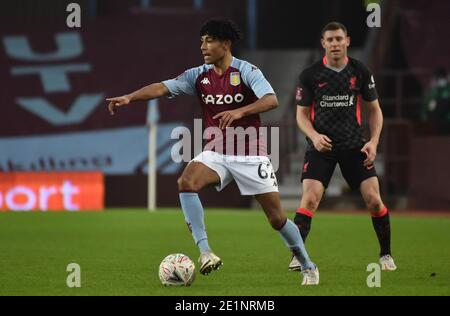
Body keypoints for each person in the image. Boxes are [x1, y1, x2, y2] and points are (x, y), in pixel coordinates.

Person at [106, 18, 319, 285]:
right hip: (216, 151)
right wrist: (129, 97)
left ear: (226, 44)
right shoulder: (198, 75)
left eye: (209, 40)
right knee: (186, 181)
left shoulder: (246, 71)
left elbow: (271, 99)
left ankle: (307, 264)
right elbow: (163, 86)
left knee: (276, 218)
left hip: (250, 153)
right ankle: (205, 252)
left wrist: (241, 110)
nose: (203, 46)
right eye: (201, 41)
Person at [288, 22, 397, 272]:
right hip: (321, 147)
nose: (335, 43)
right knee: (311, 198)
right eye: (330, 40)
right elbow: (301, 116)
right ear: (323, 43)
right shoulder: (310, 75)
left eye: (339, 39)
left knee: (374, 200)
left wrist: (373, 141)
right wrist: (314, 136)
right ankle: (297, 257)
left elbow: (375, 111)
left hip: (353, 146)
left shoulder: (360, 71)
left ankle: (386, 254)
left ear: (347, 41)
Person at [421, 67, 450, 135]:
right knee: (433, 103)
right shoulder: (433, 92)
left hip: (447, 120)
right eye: (438, 78)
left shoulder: (448, 89)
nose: (440, 80)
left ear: (446, 78)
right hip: (436, 121)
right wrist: (425, 120)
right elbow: (428, 108)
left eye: (442, 78)